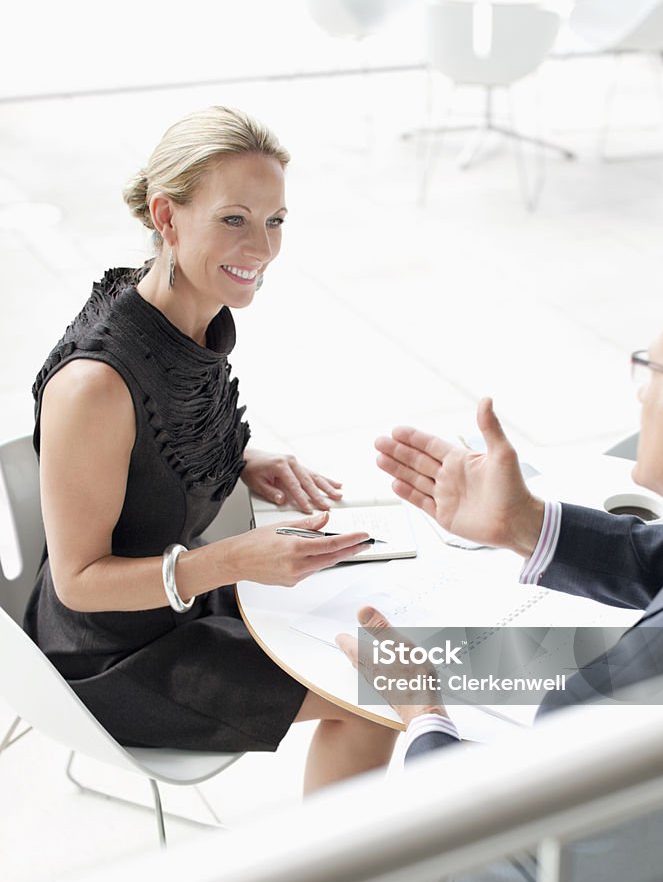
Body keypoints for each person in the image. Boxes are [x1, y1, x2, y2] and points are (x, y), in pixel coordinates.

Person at [337, 259, 663, 882]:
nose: (640, 392)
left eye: (650, 369)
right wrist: (525, 524)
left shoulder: (615, 698)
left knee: (382, 859)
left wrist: (422, 715)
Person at [23, 106, 396, 794]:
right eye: (234, 218)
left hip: (184, 600)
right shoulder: (95, 384)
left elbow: (152, 432)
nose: (261, 246)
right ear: (166, 218)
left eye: (275, 220)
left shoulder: (192, 313)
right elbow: (79, 582)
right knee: (374, 694)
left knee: (388, 623)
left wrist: (242, 458)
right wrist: (233, 560)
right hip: (113, 654)